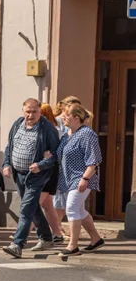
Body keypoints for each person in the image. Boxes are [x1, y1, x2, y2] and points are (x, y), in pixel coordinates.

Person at [1, 99, 60, 259]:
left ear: (40, 112)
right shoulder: (17, 124)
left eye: (34, 111)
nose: (30, 115)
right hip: (19, 173)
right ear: (23, 111)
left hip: (37, 175)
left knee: (26, 208)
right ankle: (47, 238)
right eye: (28, 111)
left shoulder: (47, 128)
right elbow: (10, 146)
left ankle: (18, 244)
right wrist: (7, 163)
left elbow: (56, 154)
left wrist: (41, 165)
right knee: (33, 207)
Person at [56, 104, 104, 258]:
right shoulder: (67, 134)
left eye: (66, 115)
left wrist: (85, 179)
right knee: (79, 210)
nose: (63, 118)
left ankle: (73, 246)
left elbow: (94, 160)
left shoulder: (87, 134)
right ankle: (96, 239)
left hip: (82, 177)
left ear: (76, 118)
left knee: (71, 208)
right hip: (69, 178)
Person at [37, 104, 66, 244]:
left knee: (33, 203)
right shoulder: (46, 129)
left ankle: (22, 233)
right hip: (44, 169)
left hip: (48, 169)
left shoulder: (53, 130)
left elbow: (54, 151)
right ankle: (57, 233)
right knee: (47, 204)